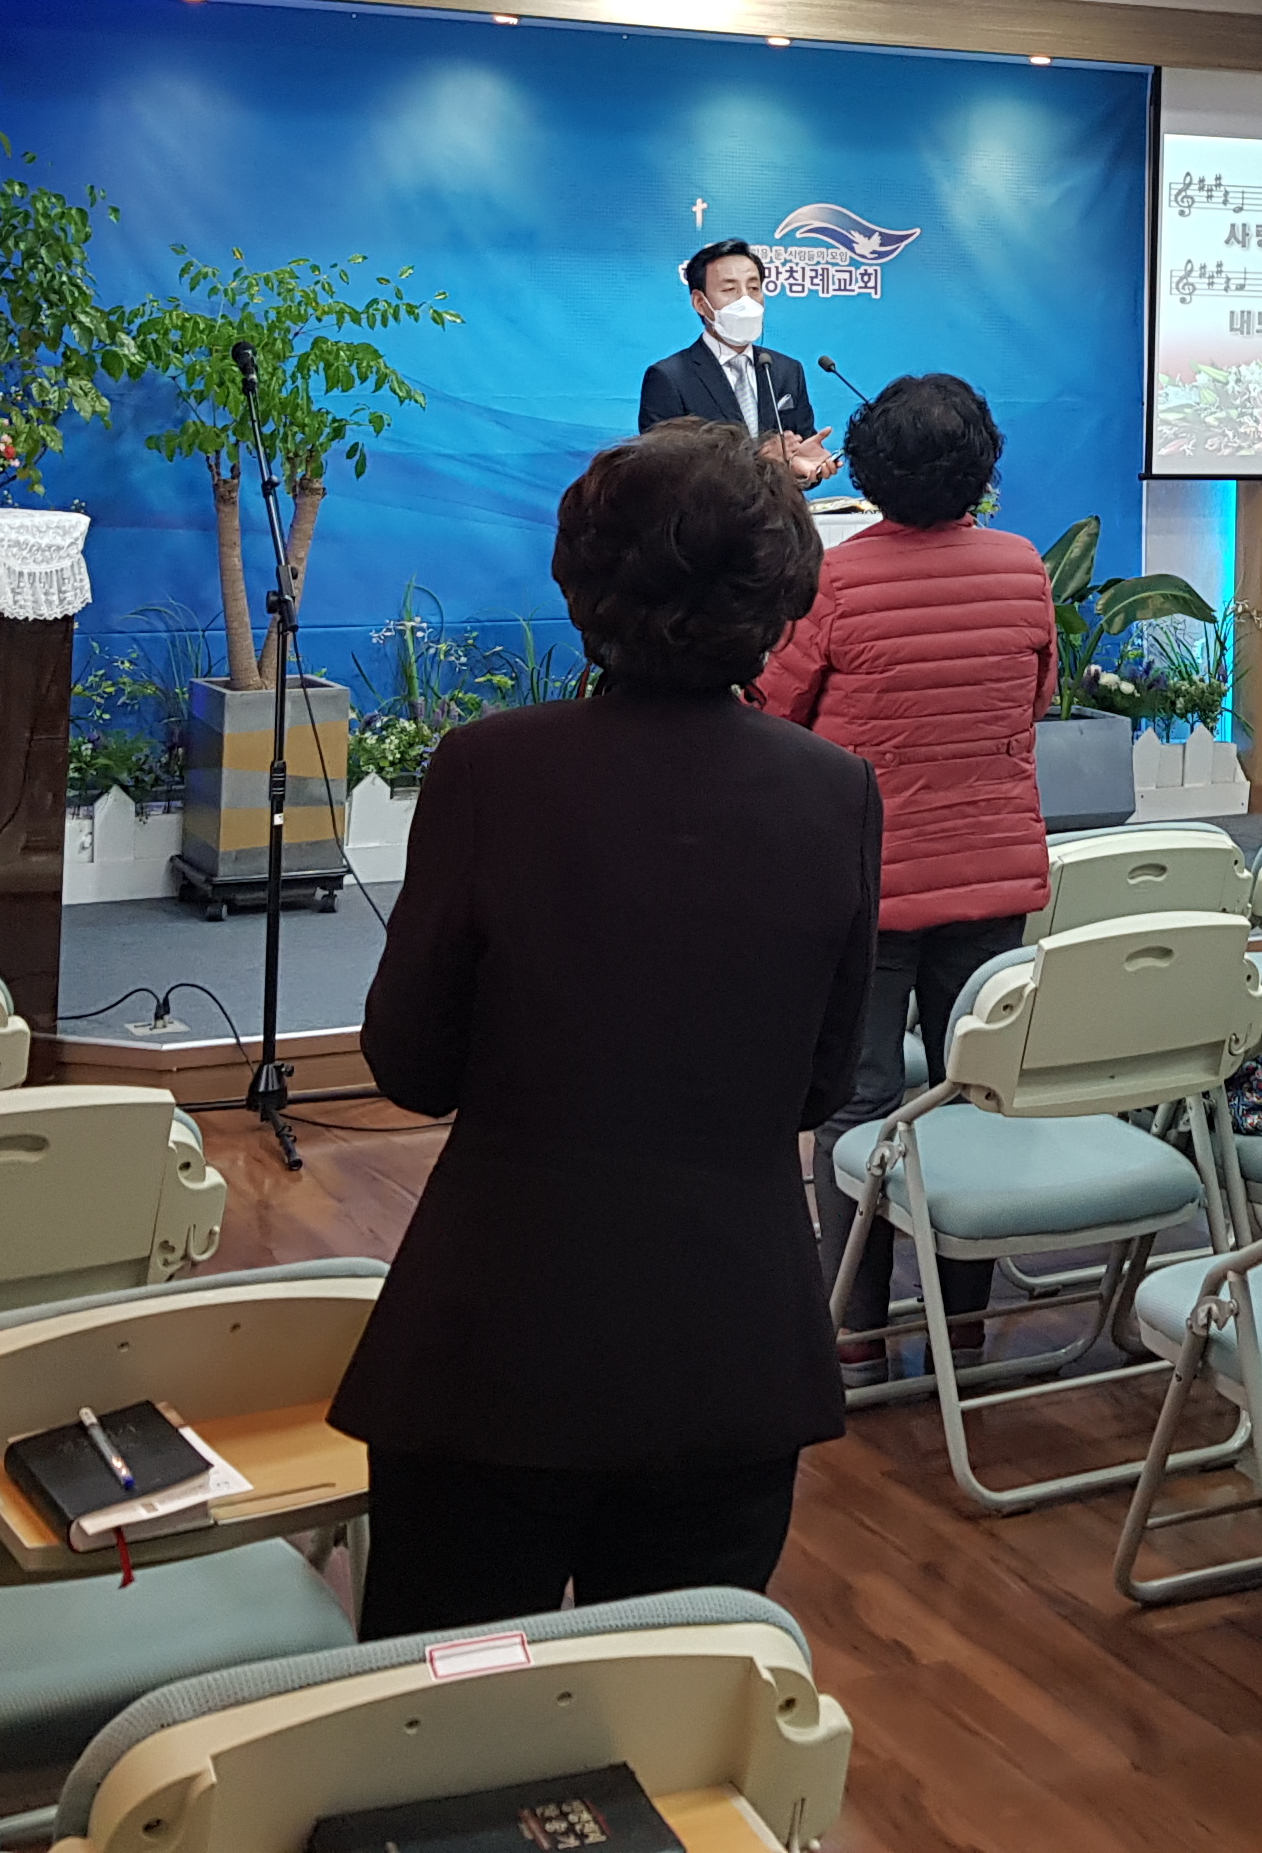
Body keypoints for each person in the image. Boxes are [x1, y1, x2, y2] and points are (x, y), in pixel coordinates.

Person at [336, 421, 880, 1635]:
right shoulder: (835, 791)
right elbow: (820, 1083)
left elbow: (411, 1065)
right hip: (732, 1345)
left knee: (449, 1700)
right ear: (779, 595)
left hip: (497, 1335)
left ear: (583, 580)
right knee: (670, 1703)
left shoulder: (488, 770)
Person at [756, 372, 1057, 1373]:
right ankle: (960, 1328)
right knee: (975, 1096)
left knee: (858, 1102)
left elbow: (775, 713)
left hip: (864, 885)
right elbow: (1035, 699)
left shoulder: (834, 581)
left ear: (873, 469)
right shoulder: (1022, 568)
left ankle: (854, 1333)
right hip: (994, 877)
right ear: (981, 467)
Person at [636, 237, 834, 487]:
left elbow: (797, 456)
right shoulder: (669, 378)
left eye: (754, 288)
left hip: (777, 511)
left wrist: (802, 469)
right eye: (730, 290)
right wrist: (758, 462)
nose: (746, 300)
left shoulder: (785, 370)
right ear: (700, 303)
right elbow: (662, 472)